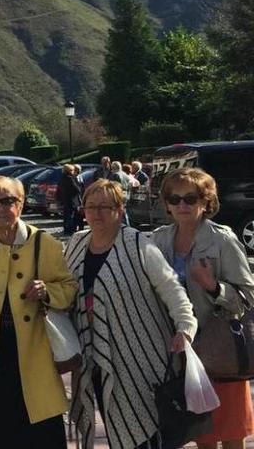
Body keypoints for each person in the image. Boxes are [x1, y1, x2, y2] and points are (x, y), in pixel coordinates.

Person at [64, 179, 197, 449]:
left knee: (147, 431)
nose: (97, 213)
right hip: (97, 357)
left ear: (120, 209)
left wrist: (185, 327)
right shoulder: (77, 243)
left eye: (105, 206)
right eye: (91, 206)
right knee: (114, 425)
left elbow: (171, 288)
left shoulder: (137, 243)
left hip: (142, 356)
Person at [0, 176, 78, 448]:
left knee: (39, 434)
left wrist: (48, 290)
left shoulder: (44, 243)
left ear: (20, 204)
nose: (0, 209)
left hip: (33, 357)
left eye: (8, 201)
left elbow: (68, 289)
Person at [151, 168, 254, 449]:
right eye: (174, 199)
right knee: (200, 433)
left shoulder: (222, 240)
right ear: (167, 204)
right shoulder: (157, 241)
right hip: (179, 351)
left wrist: (213, 286)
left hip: (220, 350)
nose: (182, 205)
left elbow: (248, 296)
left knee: (231, 432)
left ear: (206, 201)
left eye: (190, 198)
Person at [58, 164, 82, 236]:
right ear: (69, 171)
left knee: (66, 215)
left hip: (65, 199)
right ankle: (70, 230)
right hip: (71, 200)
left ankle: (66, 230)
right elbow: (76, 189)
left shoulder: (62, 178)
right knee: (70, 216)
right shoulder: (70, 178)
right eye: (72, 170)